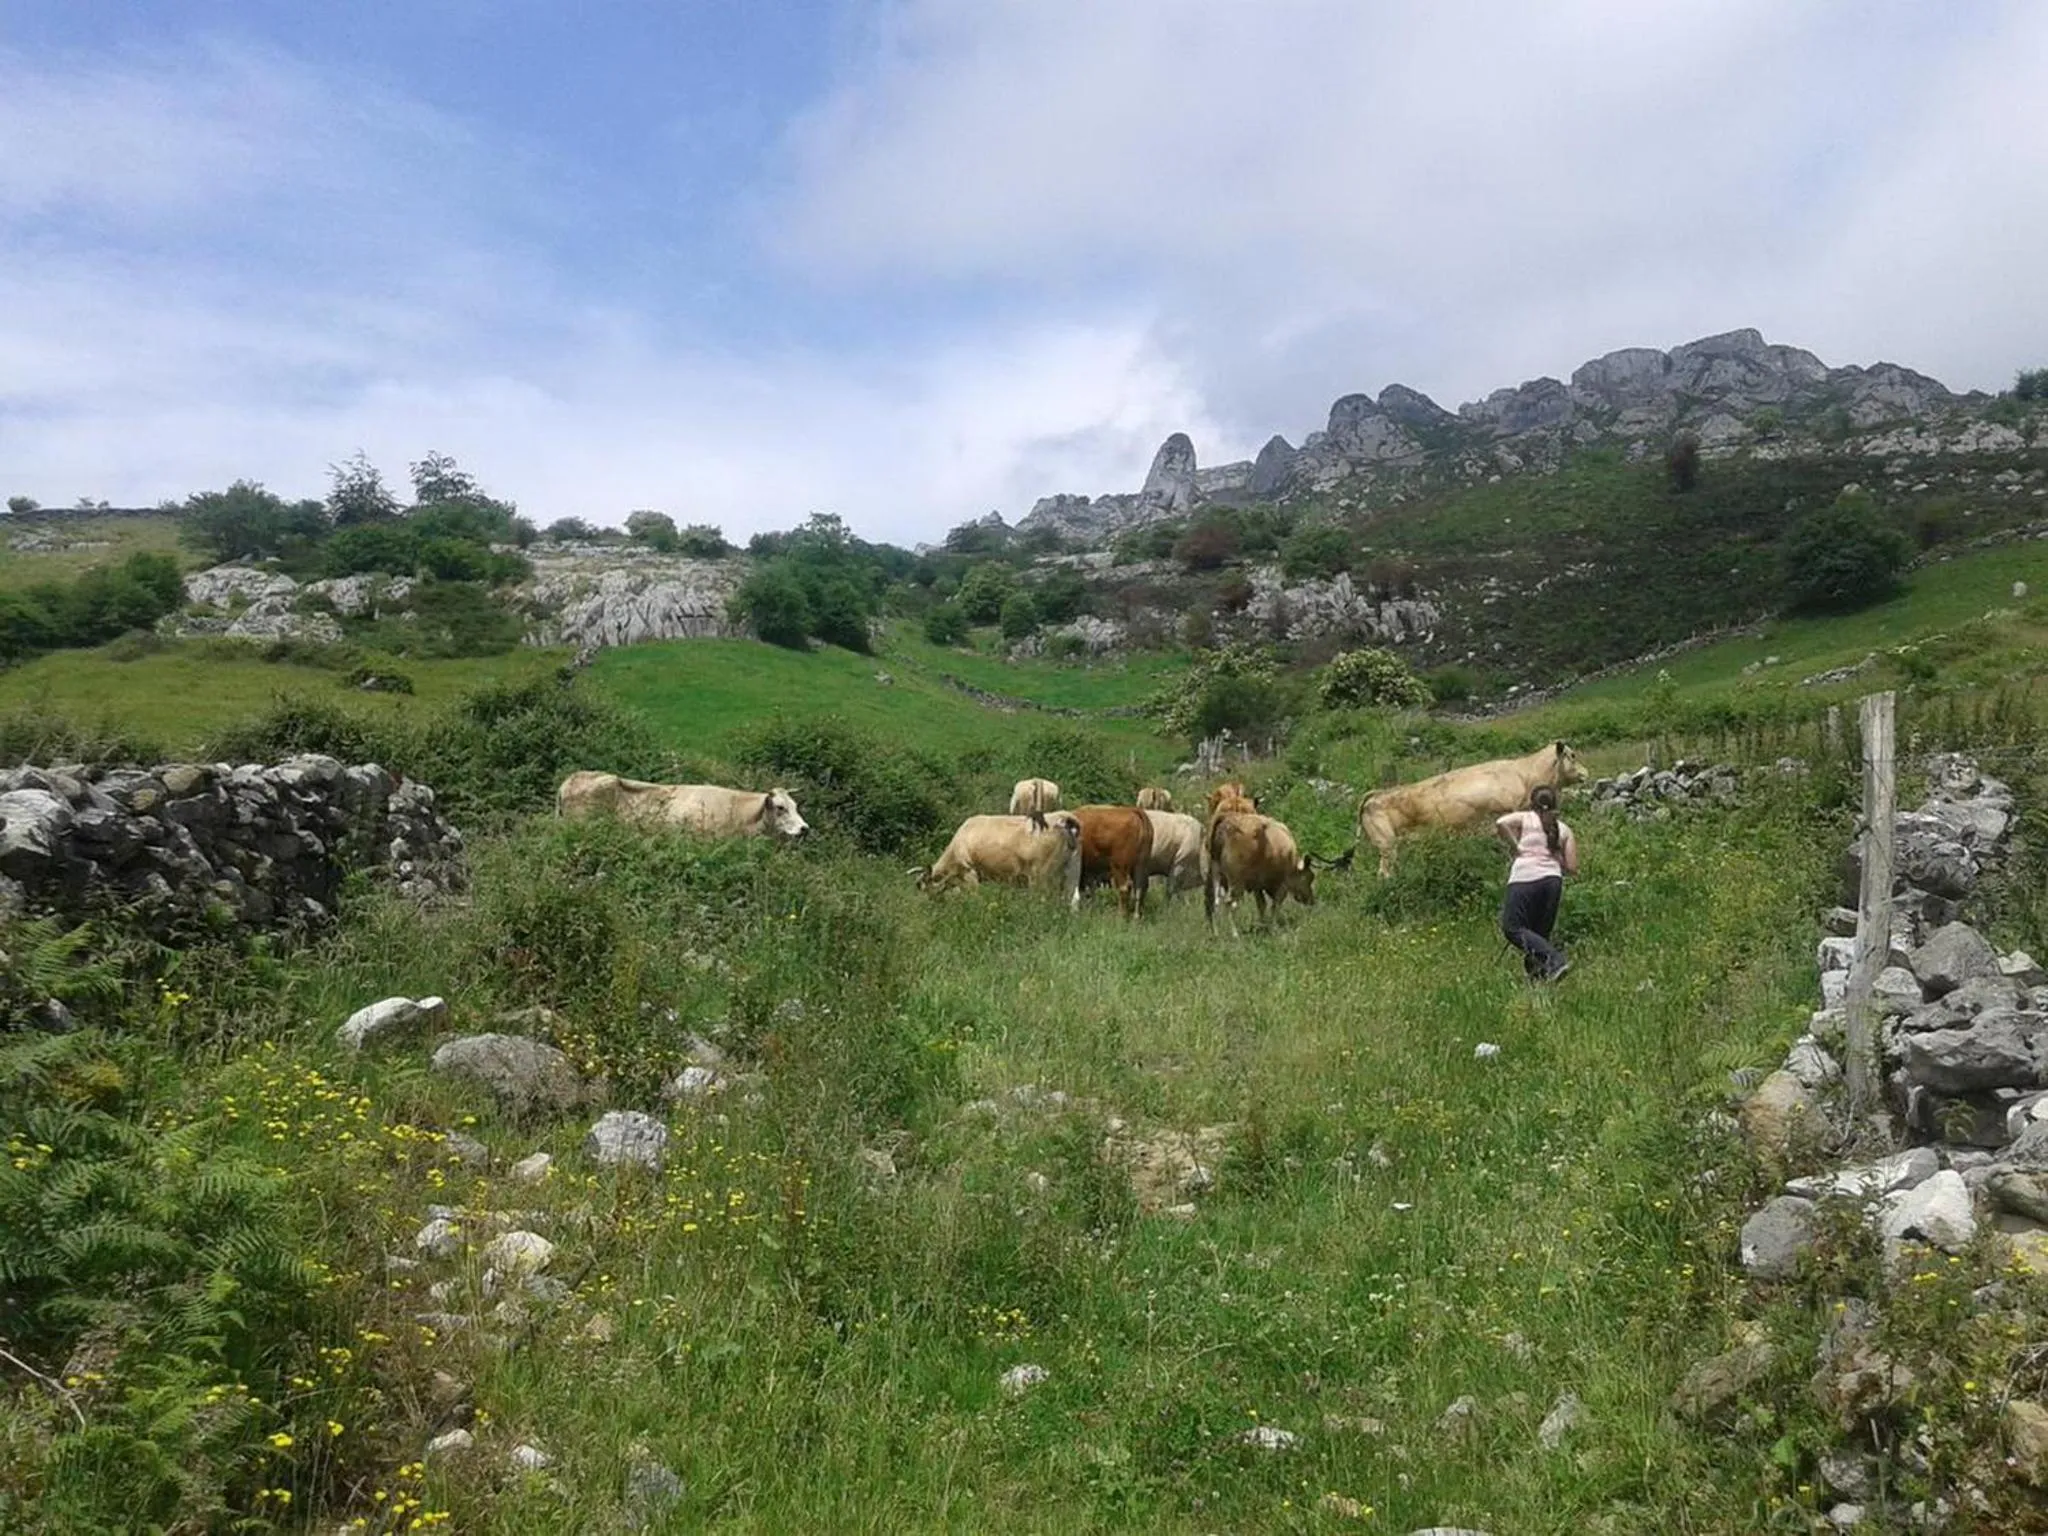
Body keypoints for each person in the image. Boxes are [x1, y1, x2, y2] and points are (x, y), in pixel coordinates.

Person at [1495, 784, 1579, 982]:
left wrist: (1516, 847)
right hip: (1552, 881)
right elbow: (1573, 868)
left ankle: (1555, 960)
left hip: (1524, 878)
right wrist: (1554, 857)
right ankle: (1539, 979)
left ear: (1532, 803)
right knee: (1539, 934)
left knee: (1513, 928)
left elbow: (1501, 822)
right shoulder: (1564, 829)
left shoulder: (1525, 818)